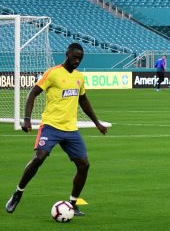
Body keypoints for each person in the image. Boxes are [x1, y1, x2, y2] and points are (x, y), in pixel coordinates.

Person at [6, 43, 108, 216]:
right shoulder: (53, 73)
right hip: (51, 126)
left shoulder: (79, 77)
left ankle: (73, 203)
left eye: (80, 59)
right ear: (67, 54)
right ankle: (18, 193)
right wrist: (27, 119)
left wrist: (97, 123)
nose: (77, 61)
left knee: (84, 165)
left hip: (70, 129)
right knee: (39, 157)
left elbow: (83, 100)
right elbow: (32, 94)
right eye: (75, 57)